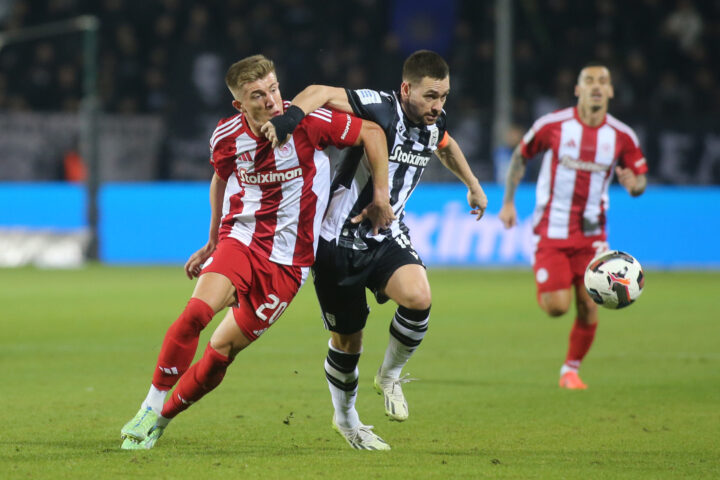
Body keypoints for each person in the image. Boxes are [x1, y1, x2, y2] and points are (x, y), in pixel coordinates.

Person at [119, 54, 395, 450]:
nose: (271, 100)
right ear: (240, 104)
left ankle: (160, 422)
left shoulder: (309, 122)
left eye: (274, 88)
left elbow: (372, 131)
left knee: (222, 351)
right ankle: (150, 405)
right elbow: (220, 176)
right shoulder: (226, 136)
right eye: (257, 95)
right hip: (243, 239)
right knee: (197, 313)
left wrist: (381, 195)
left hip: (290, 264)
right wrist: (214, 239)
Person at [263, 50, 487, 450]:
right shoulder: (381, 107)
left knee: (418, 297)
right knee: (348, 342)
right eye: (431, 96)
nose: (438, 105)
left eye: (444, 97)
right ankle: (346, 419)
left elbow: (446, 145)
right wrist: (288, 119)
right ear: (406, 89)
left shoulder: (434, 122)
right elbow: (318, 91)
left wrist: (472, 184)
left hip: (386, 234)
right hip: (338, 239)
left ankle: (389, 375)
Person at [498, 63, 648, 390]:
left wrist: (633, 184)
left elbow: (640, 181)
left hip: (592, 235)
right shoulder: (553, 125)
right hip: (551, 230)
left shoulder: (622, 136)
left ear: (610, 91)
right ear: (578, 89)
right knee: (556, 307)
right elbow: (520, 156)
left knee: (589, 304)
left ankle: (570, 370)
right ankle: (553, 281)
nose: (596, 86)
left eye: (603, 81)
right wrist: (508, 202)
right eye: (589, 81)